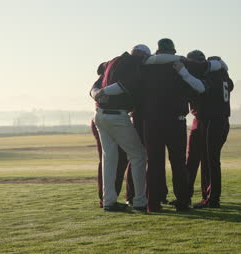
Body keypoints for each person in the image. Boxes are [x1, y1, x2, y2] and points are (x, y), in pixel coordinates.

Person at [140, 38, 210, 212]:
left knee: (154, 163)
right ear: (173, 51)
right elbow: (200, 88)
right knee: (178, 163)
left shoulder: (148, 66)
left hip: (152, 121)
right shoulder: (180, 65)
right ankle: (183, 201)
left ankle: (153, 203)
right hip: (175, 121)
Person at [90, 44, 151, 211]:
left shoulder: (112, 62)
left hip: (99, 115)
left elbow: (93, 88)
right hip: (116, 116)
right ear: (142, 55)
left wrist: (98, 93)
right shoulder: (134, 63)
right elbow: (125, 85)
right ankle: (139, 201)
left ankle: (108, 201)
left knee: (109, 158)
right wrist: (105, 93)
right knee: (138, 155)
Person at [185, 50, 233, 208]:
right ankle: (186, 195)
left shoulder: (209, 77)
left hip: (212, 120)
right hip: (207, 120)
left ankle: (211, 198)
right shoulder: (222, 74)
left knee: (209, 161)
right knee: (195, 159)